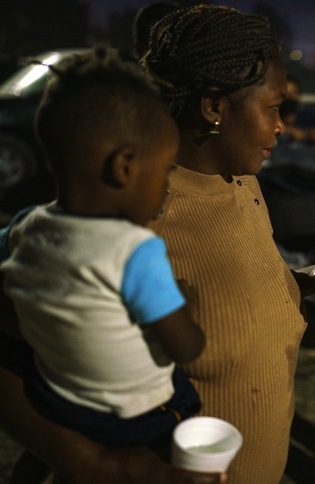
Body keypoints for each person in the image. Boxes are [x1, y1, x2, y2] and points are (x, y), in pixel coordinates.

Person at [0, 5, 315, 484]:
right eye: (273, 107)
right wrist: (92, 464)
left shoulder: (240, 183)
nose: (283, 125)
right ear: (214, 107)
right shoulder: (126, 210)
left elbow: (219, 296)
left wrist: (313, 279)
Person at [0, 45, 204, 447]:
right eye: (163, 169)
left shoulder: (26, 226)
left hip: (58, 399)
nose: (166, 186)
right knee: (189, 404)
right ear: (124, 167)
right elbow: (188, 347)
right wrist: (183, 303)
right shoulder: (134, 250)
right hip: (137, 416)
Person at [279, 74, 315, 144]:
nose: (289, 98)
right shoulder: (269, 116)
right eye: (285, 94)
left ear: (299, 95)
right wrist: (288, 130)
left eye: (293, 93)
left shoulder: (308, 116)